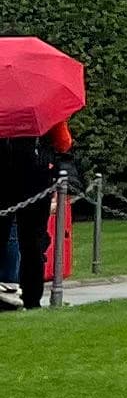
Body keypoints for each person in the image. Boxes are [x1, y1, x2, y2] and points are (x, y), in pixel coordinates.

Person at [0, 116, 74, 312]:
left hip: (5, 173)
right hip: (34, 174)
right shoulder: (39, 107)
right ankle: (32, 299)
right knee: (33, 243)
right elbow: (63, 142)